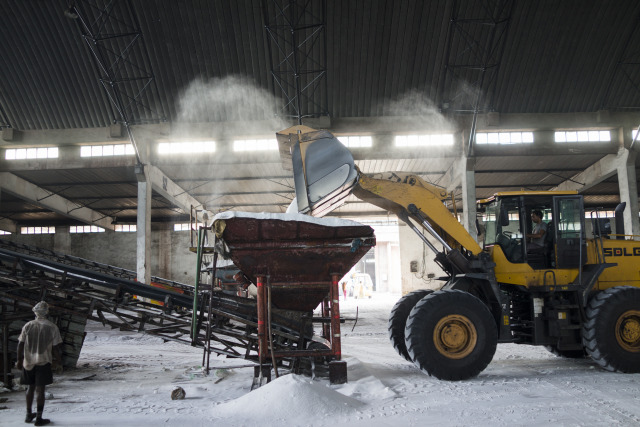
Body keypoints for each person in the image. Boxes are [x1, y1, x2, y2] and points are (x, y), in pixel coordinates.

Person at [16, 301, 63, 426]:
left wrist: (19, 360)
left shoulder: (28, 325)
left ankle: (28, 415)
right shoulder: (52, 327)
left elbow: (20, 345)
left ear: (35, 312)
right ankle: (39, 418)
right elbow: (56, 348)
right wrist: (59, 362)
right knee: (40, 390)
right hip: (44, 361)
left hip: (28, 362)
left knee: (29, 388)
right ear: (47, 312)